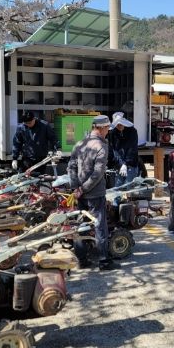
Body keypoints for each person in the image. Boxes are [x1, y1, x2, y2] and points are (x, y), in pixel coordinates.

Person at [68, 115, 118, 271]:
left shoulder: (80, 143)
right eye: (108, 128)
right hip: (94, 194)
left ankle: (82, 260)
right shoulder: (101, 146)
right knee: (100, 227)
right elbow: (97, 174)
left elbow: (71, 167)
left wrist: (76, 188)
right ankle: (104, 261)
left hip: (80, 194)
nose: (108, 131)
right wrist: (83, 189)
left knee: (81, 226)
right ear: (102, 128)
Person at [109, 111, 139, 187]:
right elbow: (114, 151)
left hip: (131, 164)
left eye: (120, 124)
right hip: (119, 164)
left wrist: (125, 164)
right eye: (117, 124)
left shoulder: (132, 131)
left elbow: (132, 149)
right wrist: (121, 164)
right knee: (117, 188)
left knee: (128, 187)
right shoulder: (113, 133)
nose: (119, 126)